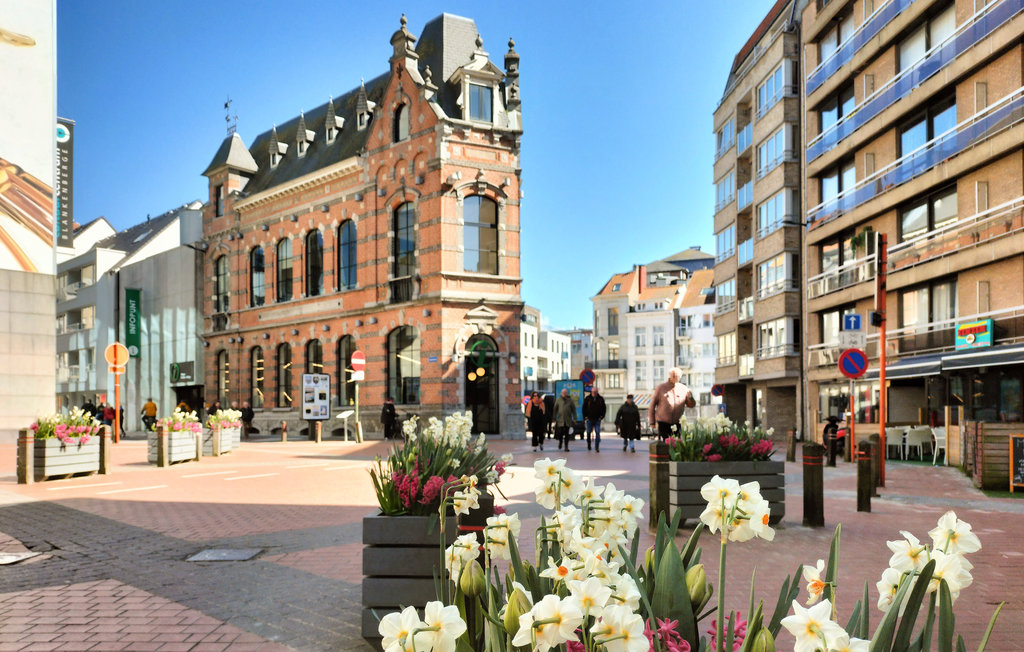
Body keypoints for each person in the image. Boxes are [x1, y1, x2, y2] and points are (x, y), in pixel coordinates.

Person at [648, 367, 696, 441]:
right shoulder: (661, 388)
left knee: (677, 445)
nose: (674, 377)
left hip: (677, 423)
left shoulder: (684, 389)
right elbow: (652, 405)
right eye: (672, 375)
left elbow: (691, 405)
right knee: (666, 444)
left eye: (676, 375)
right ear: (669, 375)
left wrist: (691, 398)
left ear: (680, 377)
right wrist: (652, 422)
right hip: (663, 423)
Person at [582, 387, 607, 452]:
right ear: (591, 392)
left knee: (597, 432)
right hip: (589, 419)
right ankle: (589, 444)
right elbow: (584, 408)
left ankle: (596, 447)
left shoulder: (600, 399)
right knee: (588, 432)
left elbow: (604, 409)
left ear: (597, 392)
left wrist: (602, 417)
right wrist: (585, 417)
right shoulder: (587, 398)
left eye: (595, 392)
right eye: (593, 392)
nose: (594, 393)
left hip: (597, 419)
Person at [553, 388, 577, 452]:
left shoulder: (570, 401)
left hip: (567, 420)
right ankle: (560, 442)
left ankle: (566, 447)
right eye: (563, 393)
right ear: (561, 393)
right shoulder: (558, 400)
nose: (564, 394)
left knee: (567, 434)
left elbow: (573, 410)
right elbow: (555, 409)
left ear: (567, 393)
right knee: (560, 433)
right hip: (560, 420)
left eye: (565, 393)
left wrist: (575, 418)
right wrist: (554, 417)